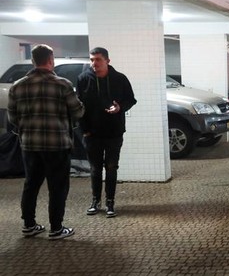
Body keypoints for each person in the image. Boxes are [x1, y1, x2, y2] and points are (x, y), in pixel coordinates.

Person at [8, 44, 85, 239]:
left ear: (33, 61)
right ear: (51, 60)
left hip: (29, 145)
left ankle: (29, 225)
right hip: (57, 145)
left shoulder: (16, 86)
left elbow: (12, 118)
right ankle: (56, 228)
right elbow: (78, 112)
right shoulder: (63, 84)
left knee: (31, 184)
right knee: (57, 186)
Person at [77, 47, 137, 218]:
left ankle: (110, 202)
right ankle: (95, 201)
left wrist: (120, 107)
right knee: (95, 169)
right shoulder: (83, 79)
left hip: (114, 132)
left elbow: (131, 99)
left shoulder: (120, 79)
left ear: (107, 61)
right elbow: (78, 105)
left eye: (97, 59)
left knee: (111, 168)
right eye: (91, 60)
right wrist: (85, 130)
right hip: (91, 133)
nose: (94, 63)